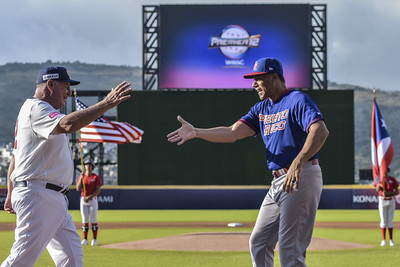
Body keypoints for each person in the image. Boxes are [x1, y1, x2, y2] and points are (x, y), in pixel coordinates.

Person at [167, 57, 329, 267]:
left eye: (258, 78)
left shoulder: (297, 100)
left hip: (300, 175)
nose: (253, 84)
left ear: (274, 77)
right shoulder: (262, 109)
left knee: (291, 251)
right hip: (279, 180)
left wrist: (298, 161)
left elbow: (320, 130)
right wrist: (197, 132)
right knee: (259, 242)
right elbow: (232, 133)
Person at [2, 66, 131, 267]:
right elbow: (68, 125)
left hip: (50, 197)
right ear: (50, 85)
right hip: (39, 196)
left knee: (71, 259)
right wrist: (106, 104)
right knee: (20, 260)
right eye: (66, 86)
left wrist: (11, 192)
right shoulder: (37, 108)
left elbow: (15, 157)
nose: (69, 92)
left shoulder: (36, 111)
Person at [76, 158, 102, 246]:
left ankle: (94, 239)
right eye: (86, 165)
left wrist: (90, 196)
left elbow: (98, 190)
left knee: (93, 219)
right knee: (85, 220)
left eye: (90, 165)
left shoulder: (95, 177)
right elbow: (78, 188)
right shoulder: (82, 176)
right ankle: (85, 239)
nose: (88, 166)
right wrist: (80, 179)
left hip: (92, 200)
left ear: (92, 167)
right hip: (83, 200)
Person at [375, 167, 399, 246]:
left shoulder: (392, 179)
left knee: (390, 220)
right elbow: (377, 189)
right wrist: (379, 186)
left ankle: (391, 240)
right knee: (383, 220)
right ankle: (384, 240)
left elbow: (397, 191)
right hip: (382, 200)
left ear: (387, 171)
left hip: (390, 200)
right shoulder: (380, 179)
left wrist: (388, 194)